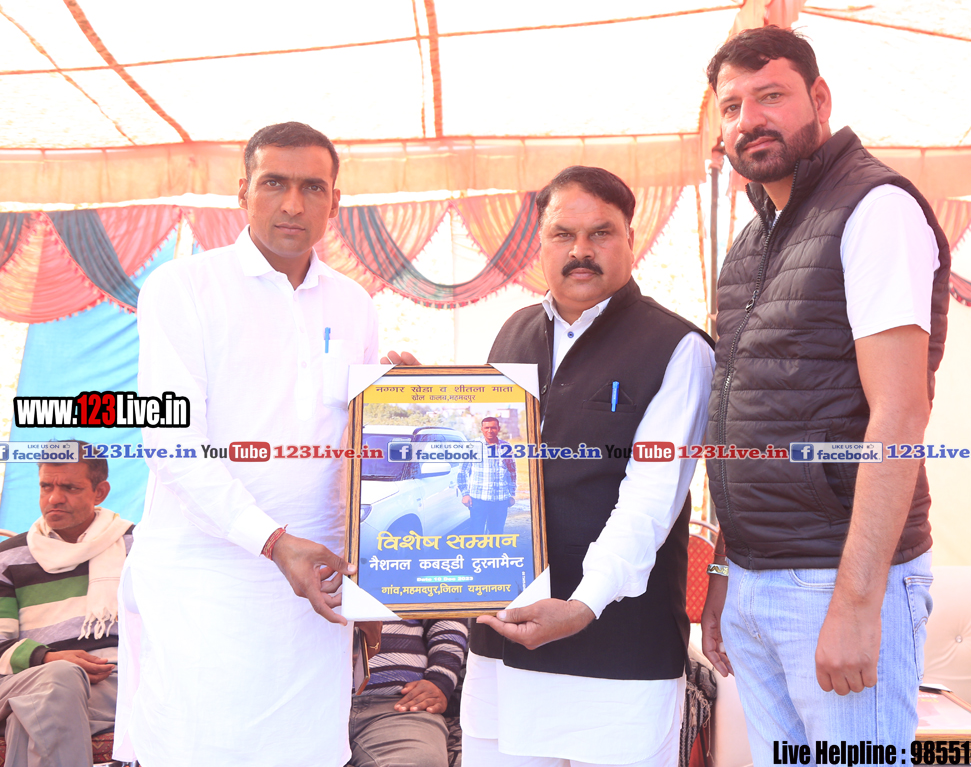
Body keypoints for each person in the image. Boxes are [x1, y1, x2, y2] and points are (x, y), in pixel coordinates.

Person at [698, 25, 951, 751]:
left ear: (819, 99)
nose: (749, 120)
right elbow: (748, 415)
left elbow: (900, 412)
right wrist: (725, 569)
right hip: (758, 578)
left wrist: (859, 602)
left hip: (836, 579)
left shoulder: (875, 208)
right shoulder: (756, 237)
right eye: (732, 107)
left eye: (771, 96)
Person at [117, 122, 379, 766]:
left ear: (335, 202)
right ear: (243, 192)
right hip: (206, 580)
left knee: (306, 753)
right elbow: (172, 442)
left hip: (314, 586)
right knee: (199, 749)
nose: (293, 203)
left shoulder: (354, 304)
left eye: (312, 187)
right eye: (274, 183)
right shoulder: (183, 288)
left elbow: (358, 442)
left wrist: (408, 400)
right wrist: (272, 540)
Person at [455, 166, 716, 767]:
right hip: (505, 641)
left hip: (619, 651)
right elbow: (494, 454)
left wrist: (583, 604)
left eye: (600, 233)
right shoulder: (513, 333)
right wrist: (425, 399)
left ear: (631, 238)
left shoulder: (678, 348)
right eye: (562, 234)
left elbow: (650, 500)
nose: (580, 251)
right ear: (539, 241)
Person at [0, 449, 133, 767]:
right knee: (60, 678)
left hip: (115, 685)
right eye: (46, 486)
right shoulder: (8, 557)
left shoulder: (136, 547)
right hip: (20, 683)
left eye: (70, 488)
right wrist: (48, 659)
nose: (54, 498)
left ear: (100, 492)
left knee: (32, 714)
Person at [349, 619, 468, 767]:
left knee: (421, 762)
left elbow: (446, 617)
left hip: (399, 706)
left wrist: (441, 679)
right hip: (321, 702)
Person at [458, 417, 517, 535]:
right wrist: (465, 494)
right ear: (482, 429)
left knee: (497, 533)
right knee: (476, 533)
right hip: (478, 499)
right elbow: (462, 472)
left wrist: (511, 494)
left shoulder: (506, 447)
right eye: (487, 428)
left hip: (500, 499)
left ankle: (494, 548)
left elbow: (512, 472)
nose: (490, 431)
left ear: (498, 429)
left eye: (493, 428)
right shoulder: (473, 446)